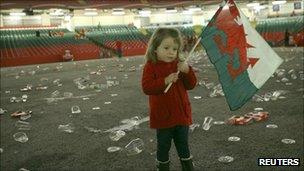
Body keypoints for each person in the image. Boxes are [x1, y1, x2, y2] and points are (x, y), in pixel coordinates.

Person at [141, 28, 197, 171]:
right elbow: (147, 87)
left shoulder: (180, 65)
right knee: (163, 146)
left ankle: (188, 167)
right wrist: (165, 80)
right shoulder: (150, 66)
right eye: (166, 48)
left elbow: (191, 85)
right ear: (155, 48)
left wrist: (187, 71)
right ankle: (163, 167)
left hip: (181, 115)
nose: (171, 52)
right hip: (163, 117)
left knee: (183, 145)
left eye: (174, 49)